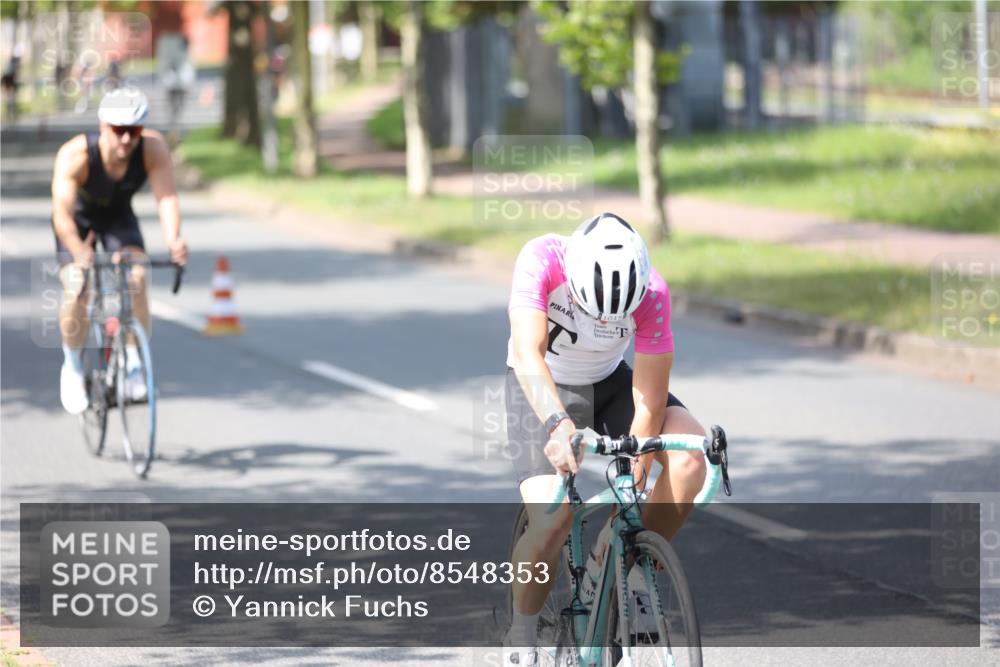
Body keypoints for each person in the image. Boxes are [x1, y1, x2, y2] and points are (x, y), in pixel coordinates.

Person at [503, 212, 707, 665]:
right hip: (544, 388)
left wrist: (633, 483)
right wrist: (559, 426)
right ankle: (522, 632)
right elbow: (528, 354)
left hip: (612, 383)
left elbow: (650, 401)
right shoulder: (541, 259)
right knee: (553, 519)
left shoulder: (652, 291)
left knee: (691, 458)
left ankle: (627, 568)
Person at [51, 87, 189, 414]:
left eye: (135, 130)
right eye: (119, 130)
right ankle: (72, 366)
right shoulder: (76, 155)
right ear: (103, 126)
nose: (127, 139)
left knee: (137, 277)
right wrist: (76, 250)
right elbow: (61, 214)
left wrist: (174, 240)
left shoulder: (152, 149)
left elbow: (166, 197)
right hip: (78, 221)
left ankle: (132, 363)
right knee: (77, 286)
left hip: (117, 217)